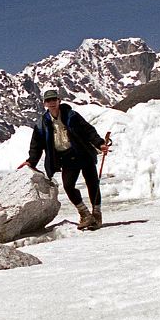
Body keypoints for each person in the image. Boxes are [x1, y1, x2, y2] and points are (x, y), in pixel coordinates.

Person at [18, 88, 110, 230]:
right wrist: (31, 161)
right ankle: (85, 214)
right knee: (68, 186)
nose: (52, 102)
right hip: (66, 158)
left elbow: (88, 130)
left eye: (54, 99)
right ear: (45, 104)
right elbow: (36, 144)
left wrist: (100, 143)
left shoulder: (72, 116)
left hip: (83, 153)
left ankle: (96, 214)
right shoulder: (42, 123)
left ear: (59, 101)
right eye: (49, 100)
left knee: (92, 183)